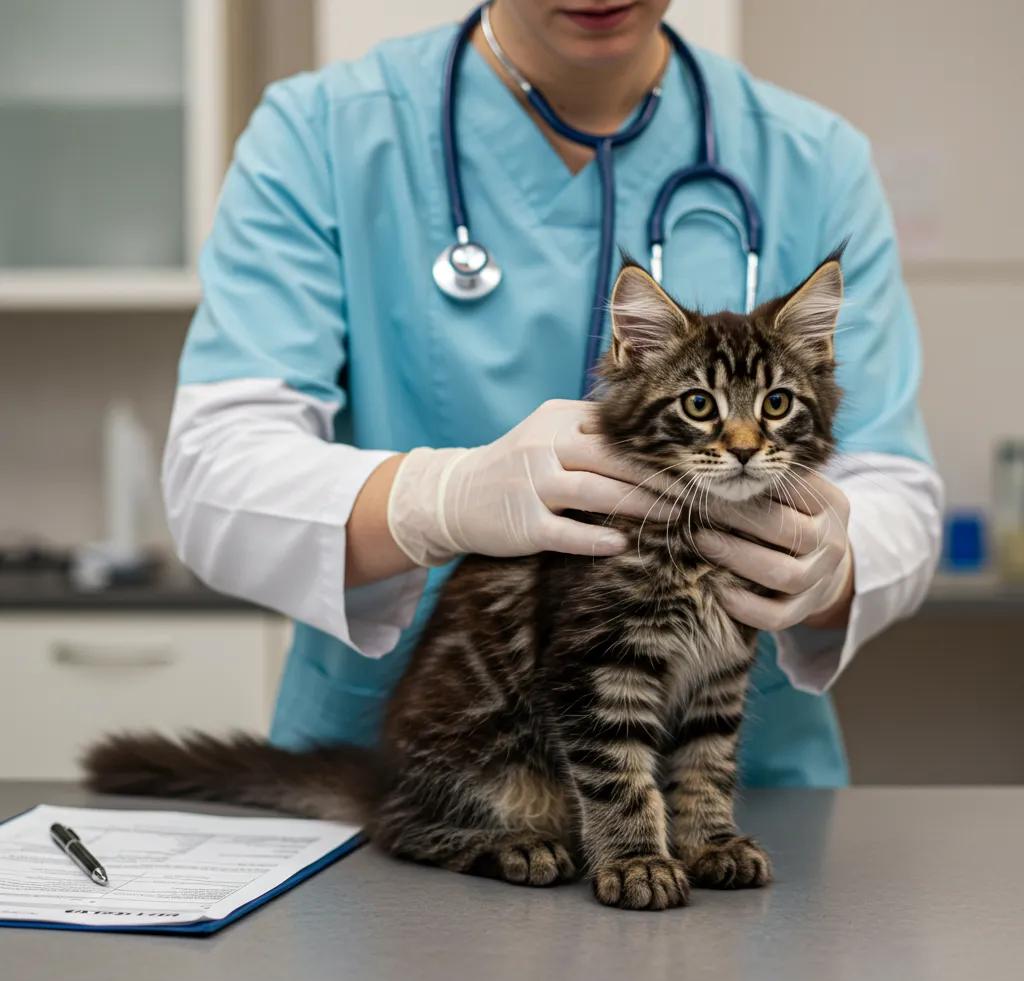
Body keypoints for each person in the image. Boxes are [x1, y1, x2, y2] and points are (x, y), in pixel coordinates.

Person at [164, 0, 942, 787]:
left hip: (736, 785)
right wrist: (434, 499)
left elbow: (897, 490)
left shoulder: (811, 159)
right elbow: (213, 474)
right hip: (447, 764)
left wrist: (834, 564)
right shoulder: (324, 133)